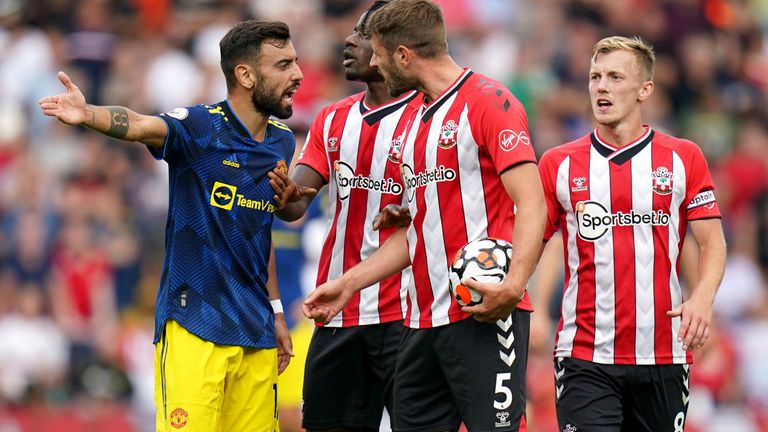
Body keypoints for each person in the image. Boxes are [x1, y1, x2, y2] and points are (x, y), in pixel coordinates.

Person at [38, 20, 303, 432]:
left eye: (296, 63)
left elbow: (259, 231)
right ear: (246, 75)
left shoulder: (282, 142)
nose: (298, 75)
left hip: (255, 330)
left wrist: (277, 313)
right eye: (284, 64)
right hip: (196, 323)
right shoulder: (201, 127)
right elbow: (143, 125)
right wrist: (89, 114)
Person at [294, 1, 547, 430]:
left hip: (482, 312)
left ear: (404, 56)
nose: (373, 62)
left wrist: (515, 283)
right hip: (420, 320)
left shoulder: (489, 102)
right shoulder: (411, 122)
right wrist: (346, 285)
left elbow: (533, 203)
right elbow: (417, 233)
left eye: (378, 53)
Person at [537, 36, 727, 431]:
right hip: (584, 355)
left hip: (663, 355)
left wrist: (703, 299)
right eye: (595, 77)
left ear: (645, 90)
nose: (601, 86)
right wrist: (534, 309)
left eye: (614, 77)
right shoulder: (557, 163)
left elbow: (711, 241)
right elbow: (534, 241)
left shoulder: (683, 157)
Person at [268, 2, 419, 430]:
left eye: (363, 33)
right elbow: (296, 202)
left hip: (410, 316)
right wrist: (284, 191)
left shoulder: (430, 118)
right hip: (341, 314)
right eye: (350, 31)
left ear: (396, 49)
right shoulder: (333, 118)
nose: (348, 41)